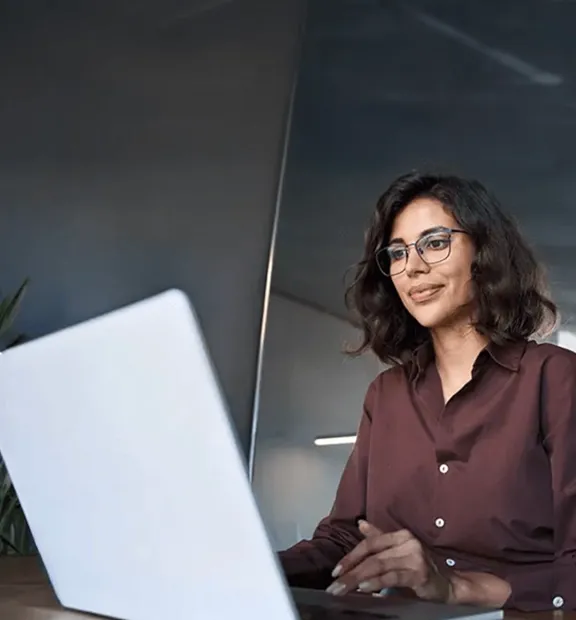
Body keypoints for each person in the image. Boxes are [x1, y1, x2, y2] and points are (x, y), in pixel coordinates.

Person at [278, 171, 576, 613]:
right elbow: (344, 539)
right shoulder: (386, 395)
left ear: (484, 252)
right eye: (397, 253)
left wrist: (461, 587)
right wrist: (247, 566)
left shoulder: (556, 378)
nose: (412, 267)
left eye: (435, 243)